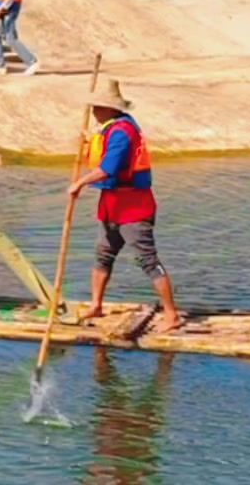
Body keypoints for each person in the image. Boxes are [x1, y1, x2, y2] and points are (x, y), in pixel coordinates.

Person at [67, 82, 182, 334]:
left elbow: (108, 168)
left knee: (147, 260)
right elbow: (100, 156)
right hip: (111, 205)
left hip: (133, 208)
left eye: (97, 106)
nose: (94, 111)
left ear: (108, 109)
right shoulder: (110, 129)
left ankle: (171, 314)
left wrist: (80, 184)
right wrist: (85, 143)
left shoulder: (122, 133)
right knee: (103, 254)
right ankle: (96, 304)